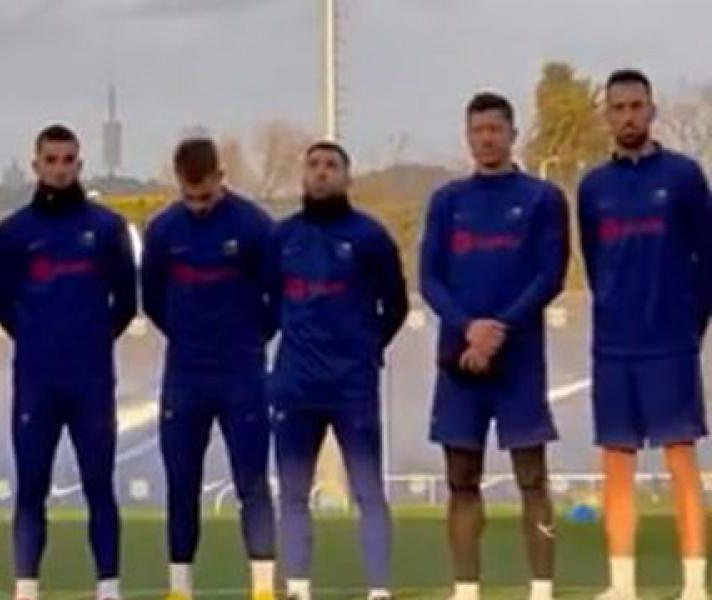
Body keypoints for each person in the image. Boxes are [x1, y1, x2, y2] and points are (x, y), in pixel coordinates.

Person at [420, 92, 569, 600]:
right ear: (468, 136)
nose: (486, 138)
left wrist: (501, 327)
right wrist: (469, 329)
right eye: (477, 130)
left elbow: (549, 274)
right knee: (462, 477)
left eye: (494, 129)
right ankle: (466, 589)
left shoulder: (542, 199)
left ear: (512, 133)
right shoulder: (447, 201)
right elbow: (430, 279)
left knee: (531, 476)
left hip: (519, 360)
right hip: (460, 359)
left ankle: (542, 588)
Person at [578, 69, 712, 600]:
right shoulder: (593, 187)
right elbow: (594, 259)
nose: (628, 116)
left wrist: (689, 322)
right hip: (615, 346)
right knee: (616, 463)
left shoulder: (683, 176)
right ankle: (622, 584)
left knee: (681, 460)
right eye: (619, 108)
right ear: (607, 116)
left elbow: (708, 256)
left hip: (671, 343)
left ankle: (695, 584)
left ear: (652, 111)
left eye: (637, 106)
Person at [0, 124, 137, 600]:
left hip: (91, 380)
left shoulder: (106, 228)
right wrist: (37, 338)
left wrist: (90, 338)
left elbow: (126, 303)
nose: (59, 168)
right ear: (36, 165)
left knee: (99, 484)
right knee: (31, 487)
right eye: (50, 160)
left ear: (79, 164)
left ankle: (109, 588)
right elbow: (2, 302)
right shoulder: (14, 233)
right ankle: (27, 588)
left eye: (67, 159)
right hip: (36, 380)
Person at [140, 137, 278, 600]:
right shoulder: (163, 231)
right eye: (189, 196)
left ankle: (261, 587)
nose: (198, 205)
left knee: (251, 481)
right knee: (182, 483)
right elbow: (153, 300)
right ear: (178, 182)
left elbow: (276, 298)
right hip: (186, 375)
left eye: (206, 194)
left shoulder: (255, 226)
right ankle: (180, 588)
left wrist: (249, 338)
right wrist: (186, 335)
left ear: (221, 177)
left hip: (242, 373)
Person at [270, 140, 407, 600]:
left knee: (367, 490)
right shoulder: (281, 237)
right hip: (294, 386)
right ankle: (299, 587)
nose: (321, 172)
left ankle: (379, 589)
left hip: (352, 386)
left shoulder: (369, 237)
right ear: (303, 176)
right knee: (292, 493)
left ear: (348, 178)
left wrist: (366, 347)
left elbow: (396, 304)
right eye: (314, 165)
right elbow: (264, 303)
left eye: (331, 166)